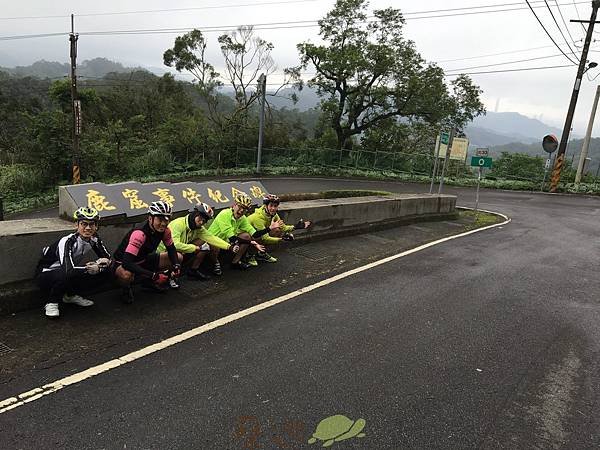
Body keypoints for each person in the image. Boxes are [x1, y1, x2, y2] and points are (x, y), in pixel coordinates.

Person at [35, 207, 111, 318]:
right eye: (84, 224)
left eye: (92, 224)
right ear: (77, 225)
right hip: (46, 274)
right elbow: (68, 270)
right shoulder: (68, 241)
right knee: (66, 273)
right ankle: (52, 302)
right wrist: (93, 268)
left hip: (66, 271)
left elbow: (108, 258)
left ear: (96, 226)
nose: (88, 228)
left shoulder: (94, 239)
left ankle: (70, 295)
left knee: (107, 271)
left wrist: (100, 266)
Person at [112, 201, 182, 304]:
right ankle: (126, 289)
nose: (163, 223)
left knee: (179, 257)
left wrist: (176, 266)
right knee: (127, 275)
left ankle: (148, 283)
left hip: (143, 259)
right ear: (150, 218)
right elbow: (127, 263)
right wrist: (154, 275)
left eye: (166, 220)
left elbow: (171, 249)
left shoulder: (166, 231)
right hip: (122, 263)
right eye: (160, 219)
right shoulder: (139, 234)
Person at [157, 203, 239, 281]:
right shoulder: (178, 224)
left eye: (204, 221)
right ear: (194, 214)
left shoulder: (199, 228)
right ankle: (170, 276)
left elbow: (212, 238)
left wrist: (229, 247)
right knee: (179, 256)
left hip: (181, 249)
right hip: (163, 252)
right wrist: (195, 248)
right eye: (200, 219)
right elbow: (174, 245)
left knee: (204, 242)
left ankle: (193, 271)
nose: (201, 222)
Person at [207, 193, 281, 271]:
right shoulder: (225, 214)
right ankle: (215, 263)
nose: (242, 210)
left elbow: (255, 234)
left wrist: (269, 228)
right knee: (215, 245)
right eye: (240, 206)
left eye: (245, 209)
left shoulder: (242, 218)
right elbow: (232, 238)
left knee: (247, 236)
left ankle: (235, 262)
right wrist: (253, 243)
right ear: (234, 205)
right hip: (213, 240)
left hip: (227, 241)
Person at [247, 194, 312, 263]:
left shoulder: (273, 214)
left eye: (275, 206)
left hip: (257, 234)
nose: (273, 208)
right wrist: (282, 239)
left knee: (277, 230)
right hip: (245, 237)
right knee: (260, 237)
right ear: (265, 206)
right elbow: (265, 238)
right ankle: (248, 255)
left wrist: (296, 227)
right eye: (271, 205)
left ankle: (261, 254)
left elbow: (283, 228)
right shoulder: (258, 218)